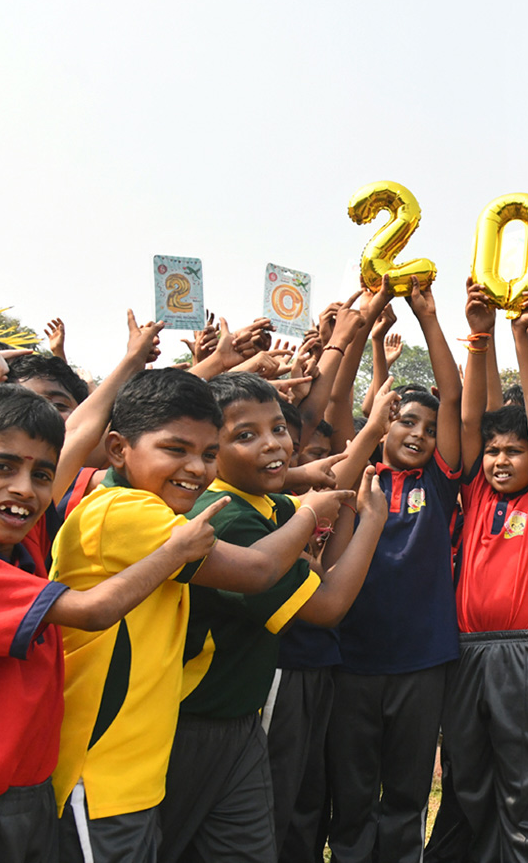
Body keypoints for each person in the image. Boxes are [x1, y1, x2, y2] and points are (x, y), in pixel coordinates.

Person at [51, 368, 345, 863]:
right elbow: (258, 569)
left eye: (209, 454)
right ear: (119, 448)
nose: (197, 468)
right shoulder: (124, 513)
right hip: (98, 774)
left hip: (140, 771)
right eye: (176, 450)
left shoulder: (156, 511)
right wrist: (310, 514)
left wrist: (296, 490)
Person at [0, 384, 223, 863]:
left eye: (40, 475)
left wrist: (133, 362)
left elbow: (76, 436)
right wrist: (176, 552)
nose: (25, 487)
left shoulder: (20, 544)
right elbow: (92, 610)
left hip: (31, 791)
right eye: (1, 467)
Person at [157, 372, 390, 863]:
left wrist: (316, 477)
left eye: (278, 429)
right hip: (195, 722)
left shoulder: (257, 502)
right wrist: (371, 522)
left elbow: (317, 492)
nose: (272, 445)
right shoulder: (227, 517)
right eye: (246, 435)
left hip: (237, 720)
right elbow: (327, 607)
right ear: (208, 450)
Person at [326, 277, 463, 863]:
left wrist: (429, 317)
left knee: (407, 795)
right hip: (352, 660)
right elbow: (338, 412)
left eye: (430, 430)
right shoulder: (355, 475)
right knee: (352, 796)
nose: (421, 434)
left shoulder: (438, 478)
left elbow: (453, 397)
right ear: (383, 423)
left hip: (422, 663)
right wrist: (371, 322)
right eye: (408, 421)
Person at [440, 278, 528, 861]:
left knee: (525, 792)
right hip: (467, 650)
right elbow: (471, 423)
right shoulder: (473, 490)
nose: (498, 460)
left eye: (511, 452)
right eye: (493, 452)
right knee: (467, 784)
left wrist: (520, 338)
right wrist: (477, 335)